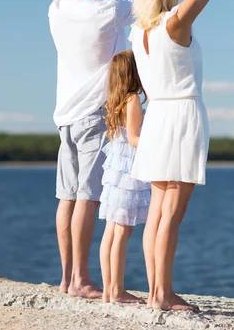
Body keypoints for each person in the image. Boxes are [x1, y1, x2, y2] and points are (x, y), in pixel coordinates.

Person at [48, 0, 202, 298]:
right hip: (93, 112)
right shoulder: (107, 11)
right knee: (88, 195)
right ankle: (82, 281)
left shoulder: (57, 6)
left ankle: (67, 277)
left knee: (66, 196)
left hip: (64, 114)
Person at [129, 0, 234, 311]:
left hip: (157, 118)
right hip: (181, 118)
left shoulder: (138, 30)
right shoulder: (176, 23)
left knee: (158, 212)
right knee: (171, 215)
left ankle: (154, 291)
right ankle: (162, 295)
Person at [99, 50, 149, 304]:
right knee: (121, 231)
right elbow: (133, 138)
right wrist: (157, 144)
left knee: (111, 231)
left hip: (114, 174)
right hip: (128, 173)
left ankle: (109, 289)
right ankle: (117, 291)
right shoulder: (132, 101)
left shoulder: (115, 100)